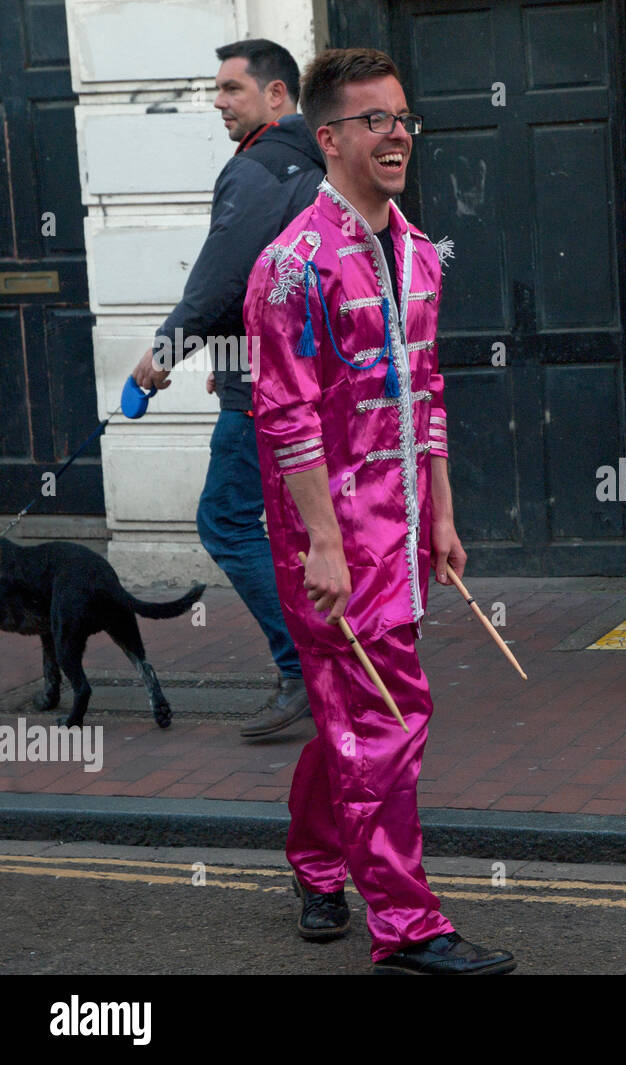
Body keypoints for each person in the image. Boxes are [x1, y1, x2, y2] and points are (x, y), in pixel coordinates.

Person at [244, 47, 514, 975]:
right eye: (376, 121)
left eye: (404, 118)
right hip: (329, 544)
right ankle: (406, 925)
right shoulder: (291, 267)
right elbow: (282, 414)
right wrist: (323, 540)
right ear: (329, 138)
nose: (398, 134)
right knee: (389, 715)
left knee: (351, 715)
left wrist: (440, 514)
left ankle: (319, 860)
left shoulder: (419, 254)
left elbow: (427, 391)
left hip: (401, 534)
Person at [131, 39, 324, 740]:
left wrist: (164, 352)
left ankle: (303, 666)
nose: (218, 102)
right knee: (307, 530)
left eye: (231, 89)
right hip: (307, 376)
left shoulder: (259, 169)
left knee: (225, 519)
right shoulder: (315, 161)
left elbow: (220, 278)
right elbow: (273, 281)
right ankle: (337, 662)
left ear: (276, 95)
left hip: (265, 392)